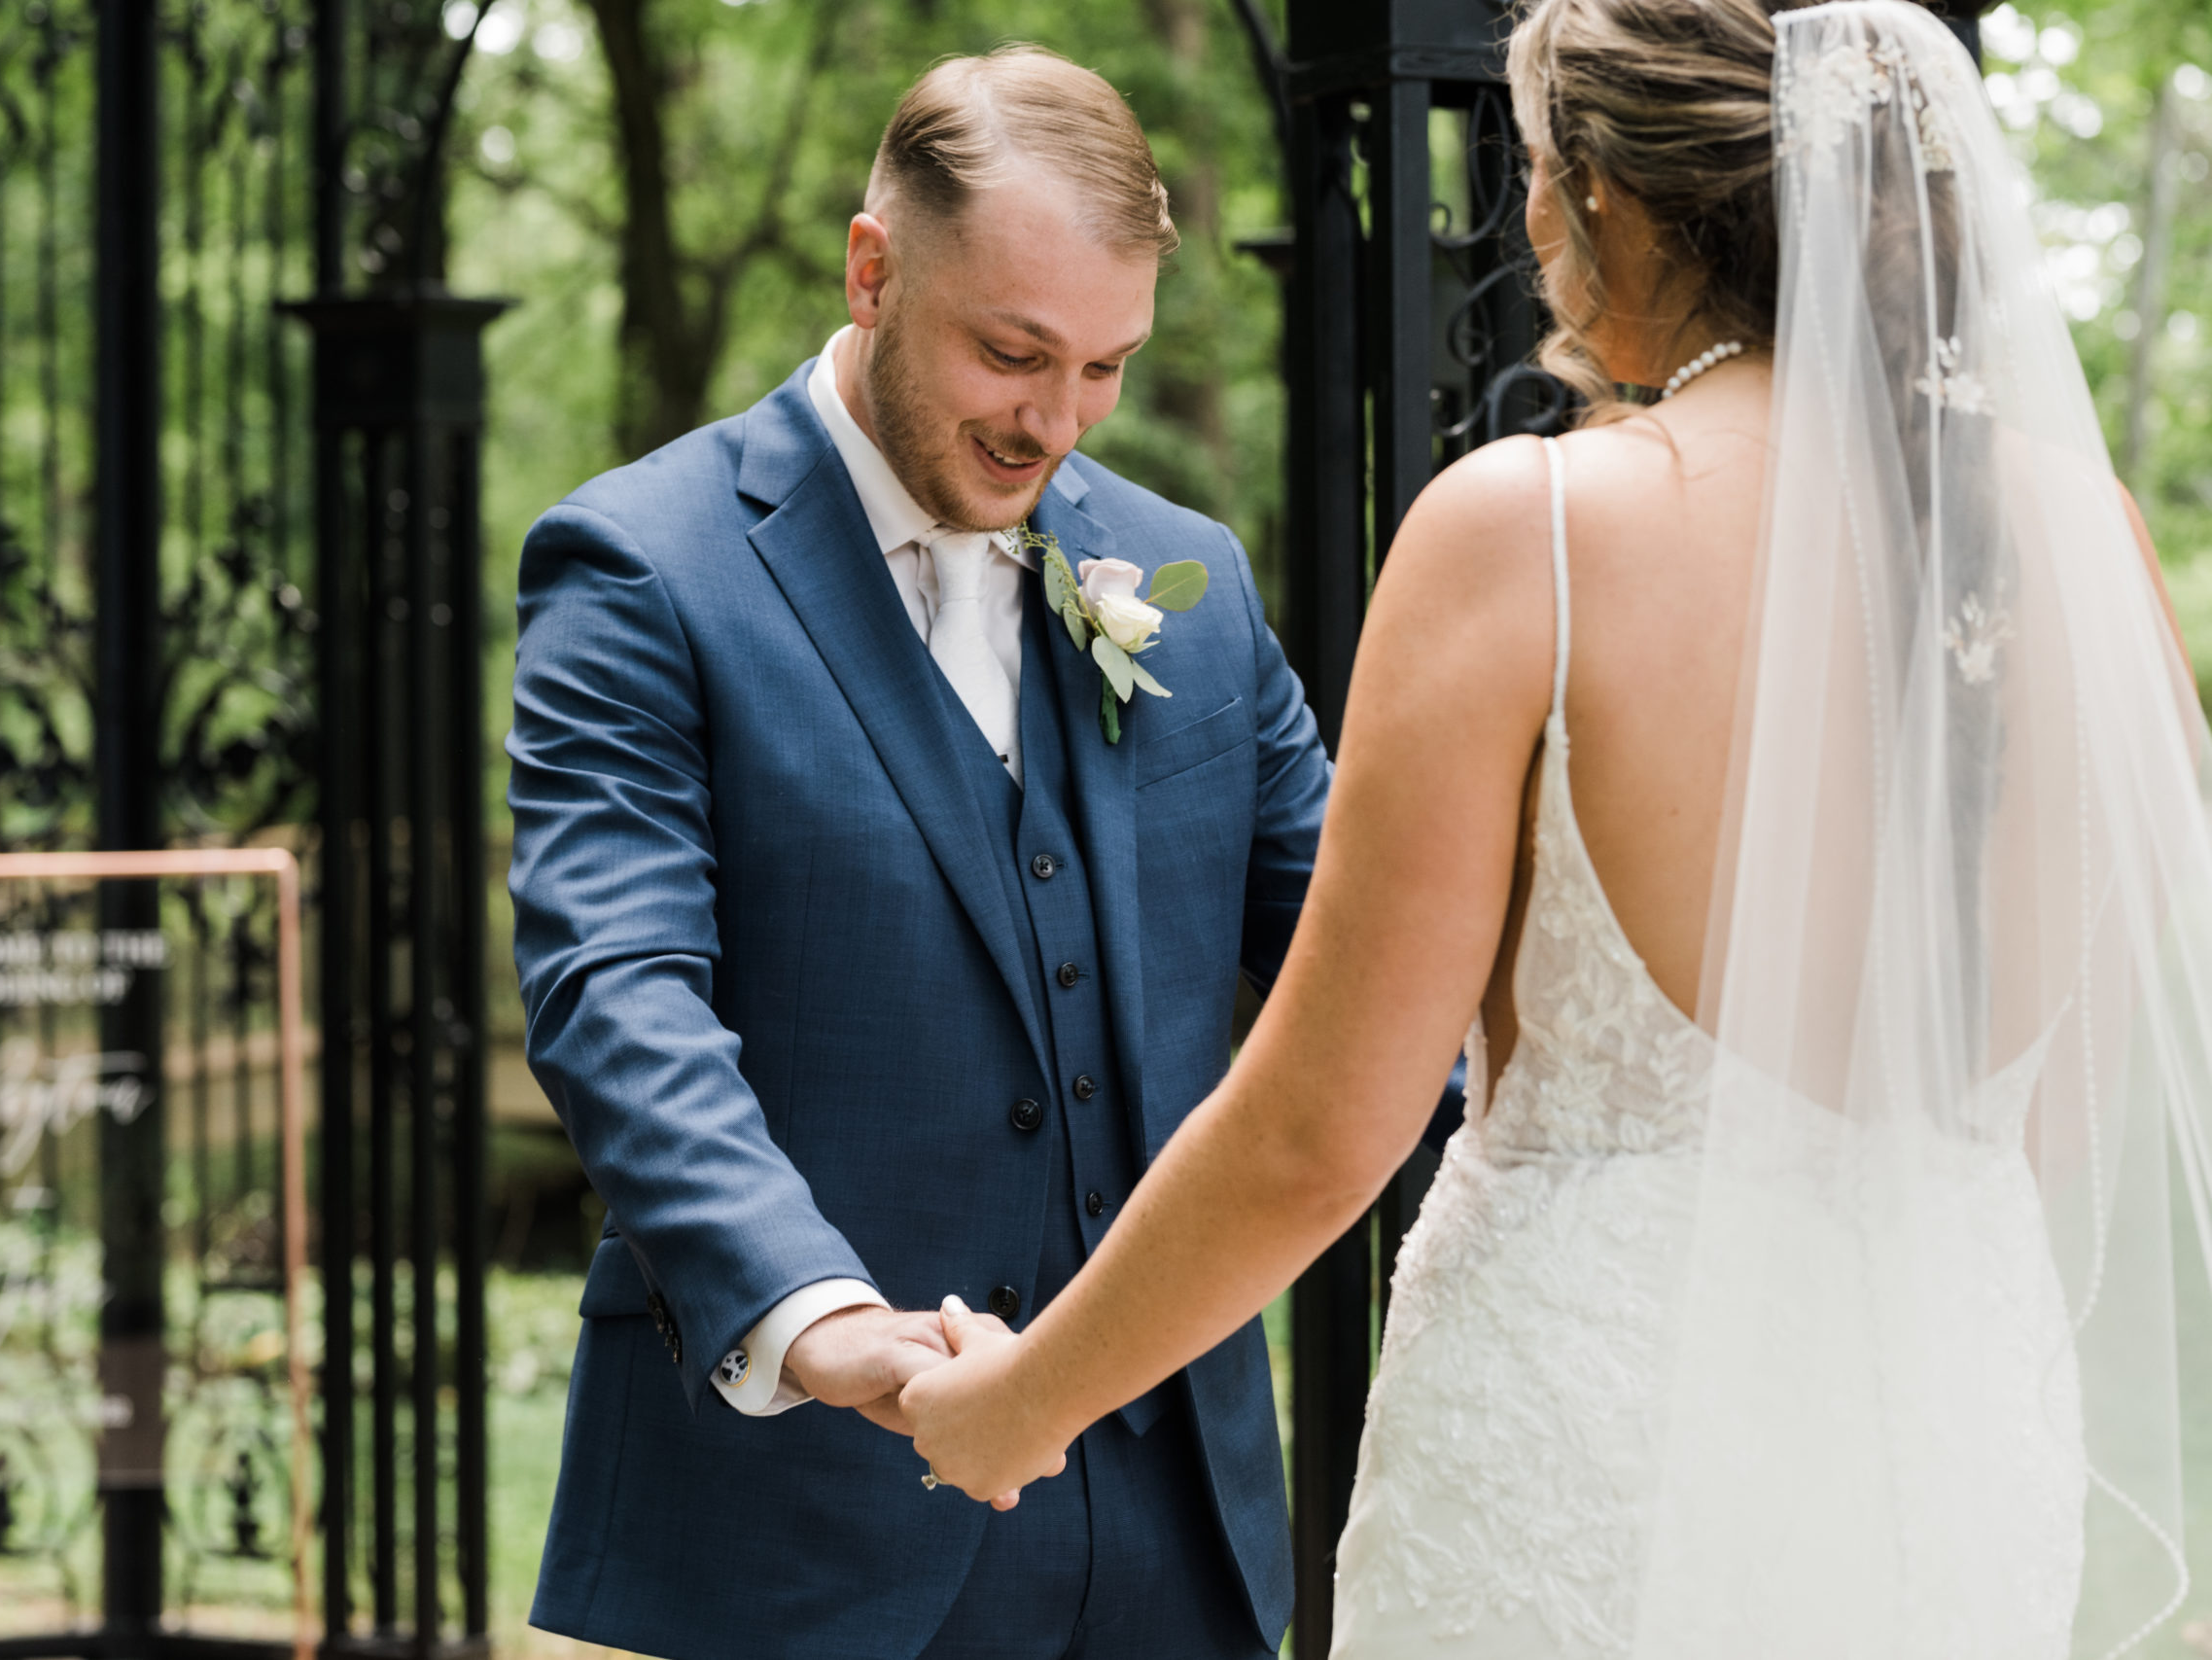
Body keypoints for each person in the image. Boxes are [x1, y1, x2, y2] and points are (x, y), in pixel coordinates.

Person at [902, 2, 2212, 1654]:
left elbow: (1322, 1130)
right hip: (1953, 1445)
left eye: (1535, 171)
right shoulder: (2085, 539)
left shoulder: (1542, 531)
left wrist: (1022, 1402)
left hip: (1592, 1460)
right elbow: (2073, 1103)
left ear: (1614, 195)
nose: (1525, 226)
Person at [505, 44, 1330, 1660]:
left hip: (1182, 1541)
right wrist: (827, 1328)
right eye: (1015, 352)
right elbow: (619, 997)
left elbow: (1372, 958)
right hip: (808, 1532)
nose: (1058, 423)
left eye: (1106, 366)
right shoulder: (642, 569)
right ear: (873, 270)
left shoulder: (1190, 578)